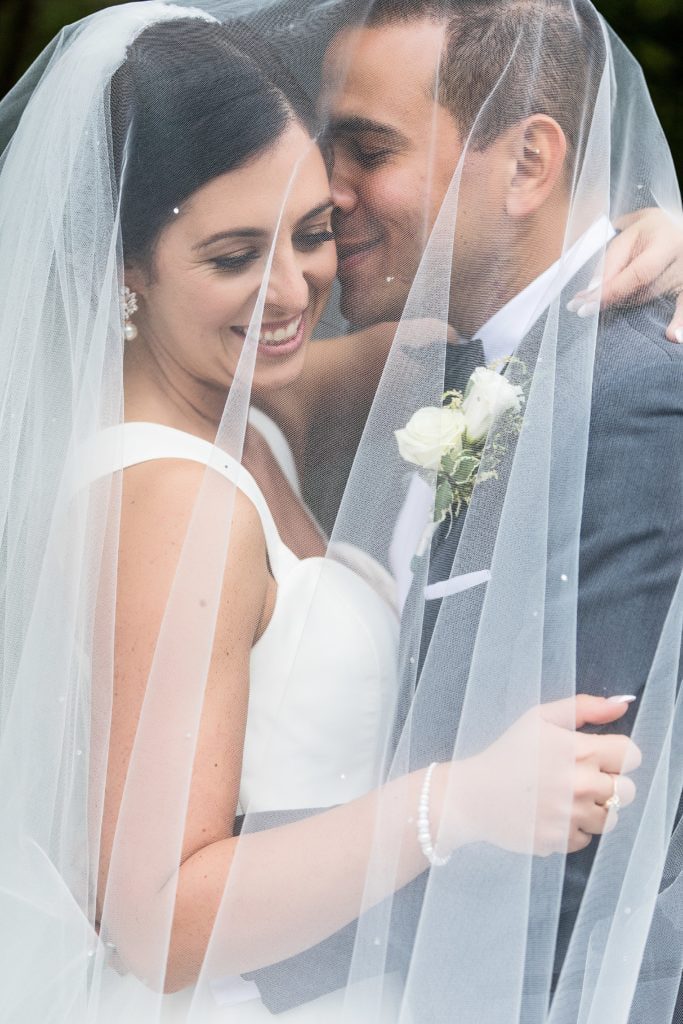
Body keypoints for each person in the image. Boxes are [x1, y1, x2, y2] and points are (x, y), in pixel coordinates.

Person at [0, 5, 649, 1023]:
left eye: (309, 234)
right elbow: (157, 920)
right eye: (230, 256)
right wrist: (459, 800)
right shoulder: (176, 498)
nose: (290, 290)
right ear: (123, 266)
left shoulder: (260, 404)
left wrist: (658, 244)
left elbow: (504, 327)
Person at [239, 1, 683, 1021]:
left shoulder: (632, 396)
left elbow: (588, 843)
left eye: (367, 149)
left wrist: (210, 921)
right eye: (324, 148)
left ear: (528, 163)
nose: (327, 193)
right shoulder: (437, 369)